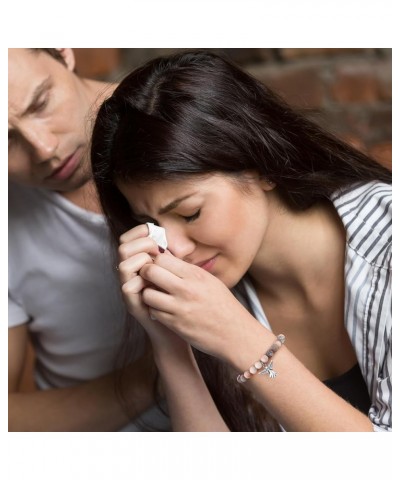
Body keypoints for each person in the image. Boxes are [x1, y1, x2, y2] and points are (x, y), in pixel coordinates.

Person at [90, 50, 392, 432]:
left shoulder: (388, 244)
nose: (176, 251)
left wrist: (240, 338)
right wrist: (170, 344)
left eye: (190, 214)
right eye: (152, 224)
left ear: (264, 165)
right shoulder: (208, 299)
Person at [8, 48, 170, 431]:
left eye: (41, 103)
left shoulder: (184, 119)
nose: (43, 148)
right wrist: (163, 367)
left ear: (64, 51)